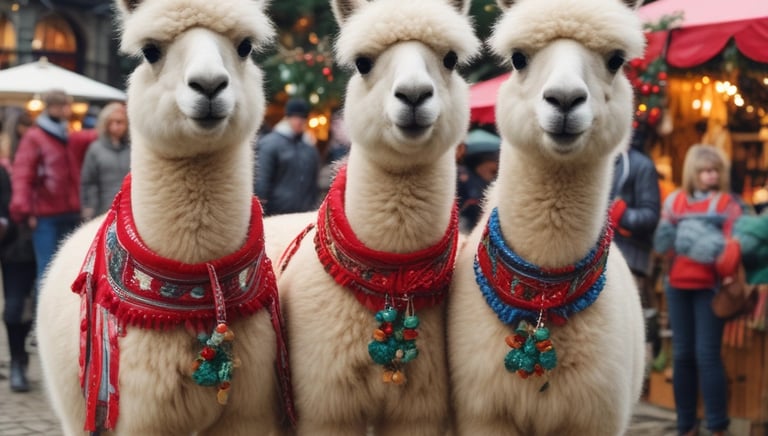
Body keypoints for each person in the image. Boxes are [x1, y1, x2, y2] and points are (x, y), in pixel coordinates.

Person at [653, 144, 743, 436]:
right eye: (705, 170)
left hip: (710, 289)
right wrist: (675, 241)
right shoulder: (676, 201)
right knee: (682, 356)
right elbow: (663, 245)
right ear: (694, 172)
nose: (711, 175)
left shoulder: (728, 204)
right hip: (677, 286)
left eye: (715, 170)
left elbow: (733, 246)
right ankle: (686, 425)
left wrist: (702, 245)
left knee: (707, 355)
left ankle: (717, 426)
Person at [9, 89, 81, 299]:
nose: (66, 110)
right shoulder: (35, 137)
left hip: (70, 211)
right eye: (62, 105)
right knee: (48, 270)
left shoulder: (65, 134)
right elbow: (23, 174)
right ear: (52, 107)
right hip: (45, 215)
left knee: (68, 267)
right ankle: (45, 319)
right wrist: (24, 211)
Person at [254, 97, 319, 215]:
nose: (299, 121)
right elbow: (262, 180)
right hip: (277, 213)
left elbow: (313, 185)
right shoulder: (270, 144)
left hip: (304, 214)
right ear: (288, 117)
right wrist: (261, 210)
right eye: (295, 117)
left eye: (303, 117)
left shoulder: (309, 147)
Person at [80, 102, 130, 221]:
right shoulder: (96, 149)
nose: (115, 127)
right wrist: (88, 206)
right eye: (111, 122)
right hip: (103, 209)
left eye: (119, 122)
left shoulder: (133, 148)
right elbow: (88, 181)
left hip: (130, 209)